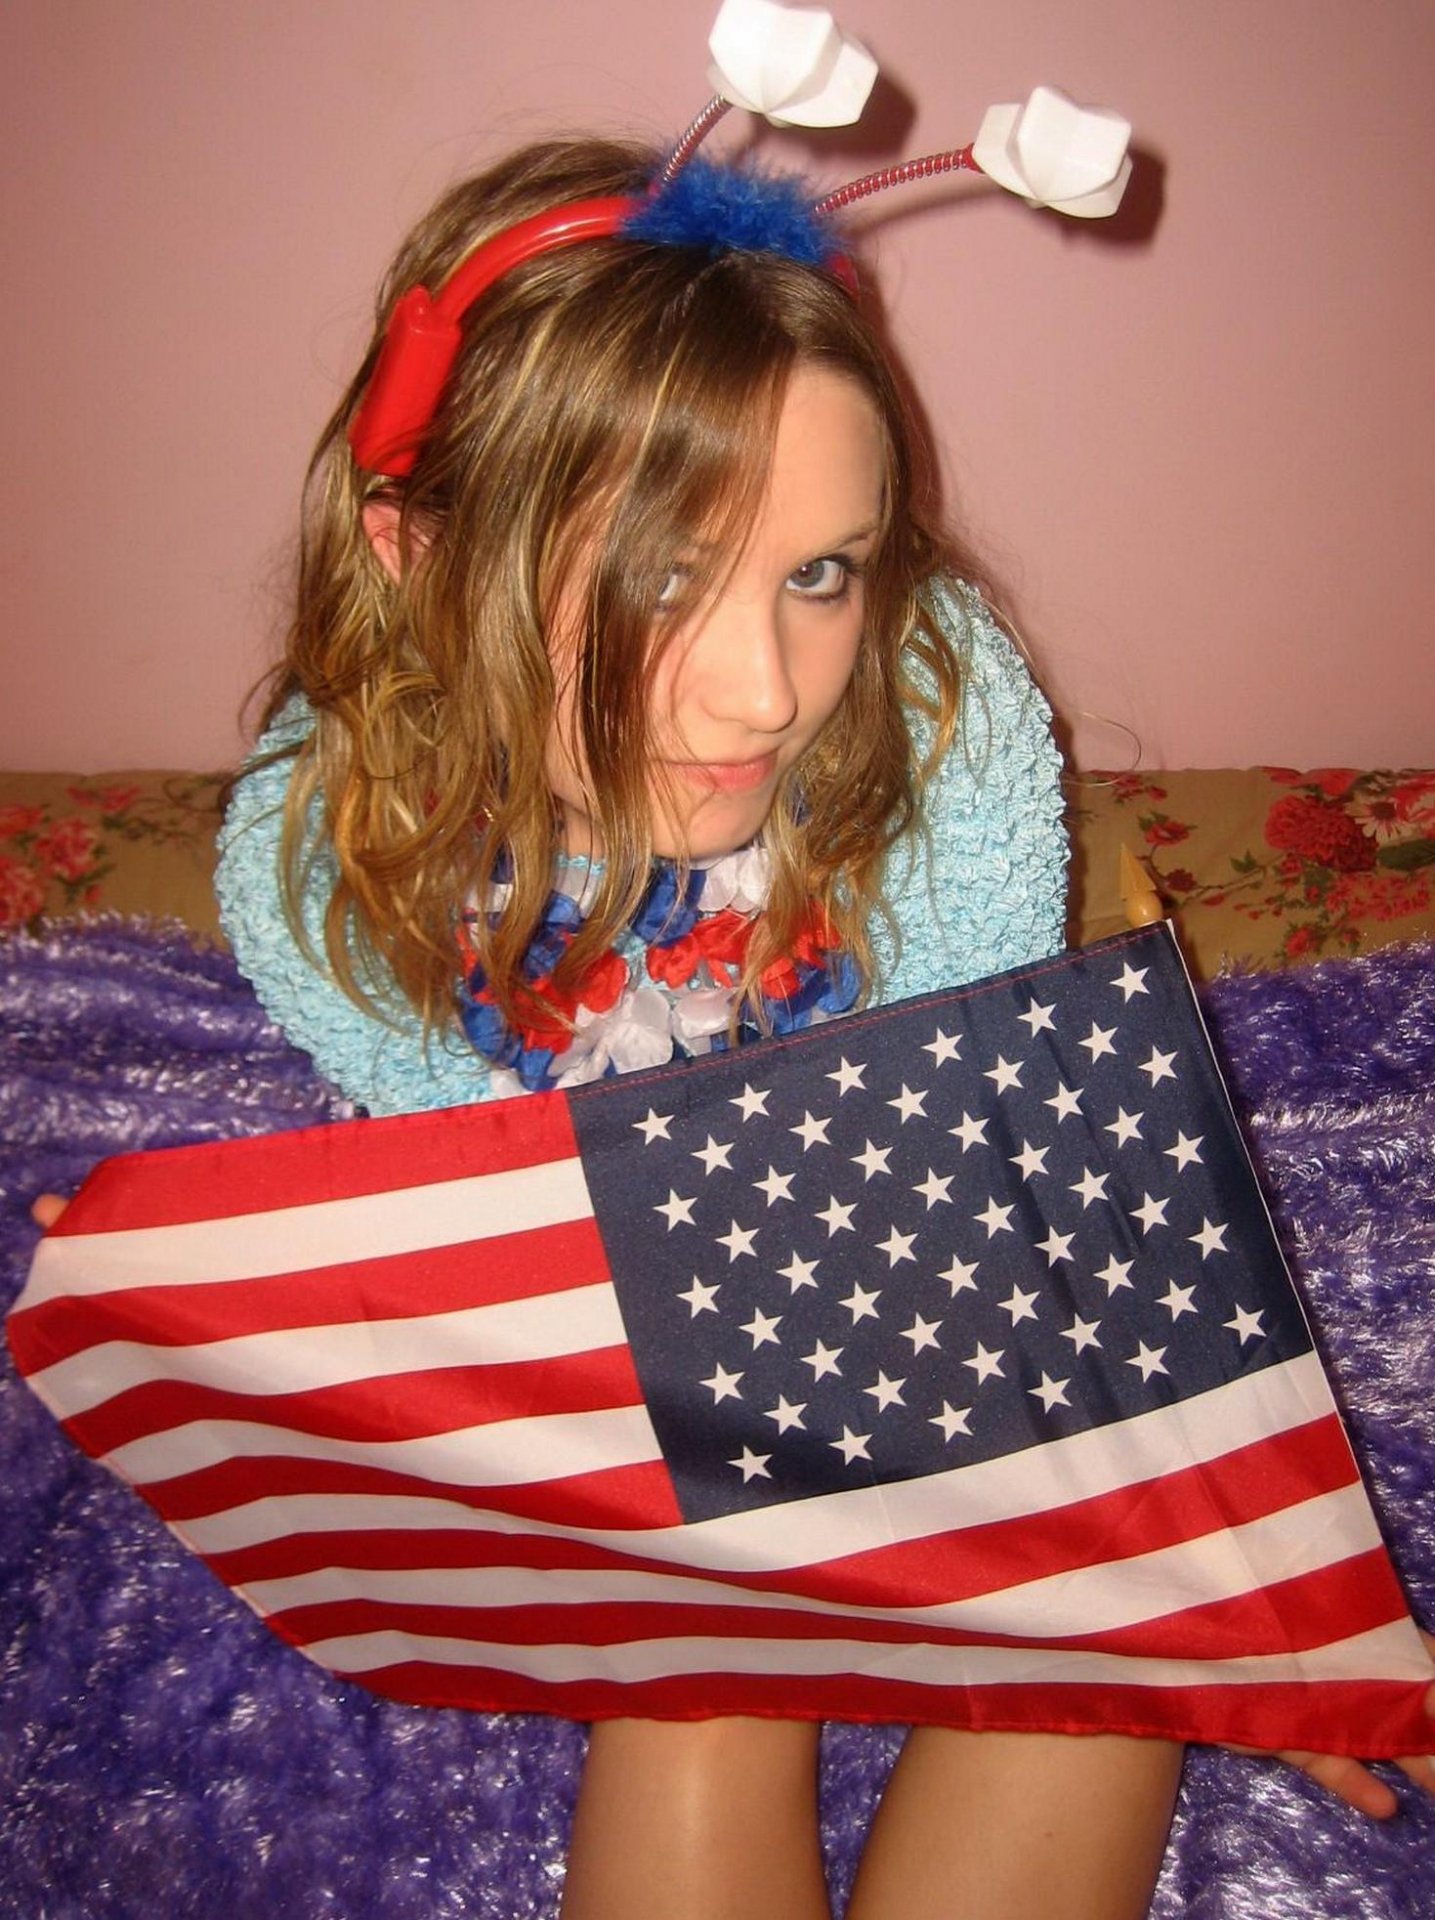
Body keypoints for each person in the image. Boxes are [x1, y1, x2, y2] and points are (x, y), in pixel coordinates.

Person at [33, 125, 1435, 1920]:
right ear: (412, 551)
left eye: (821, 572)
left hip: (918, 1262)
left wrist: (1223, 1593)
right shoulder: (326, 854)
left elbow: (982, 1173)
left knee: (1098, 1675)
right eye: (655, 579)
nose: (764, 691)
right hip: (653, 1342)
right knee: (702, 1682)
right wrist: (224, 1294)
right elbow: (473, 1197)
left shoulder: (944, 734)